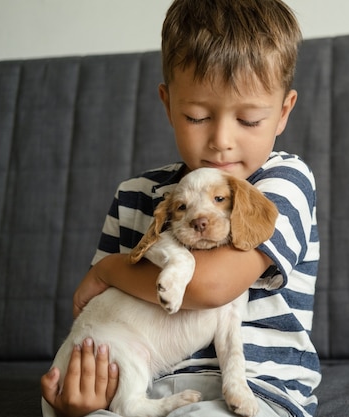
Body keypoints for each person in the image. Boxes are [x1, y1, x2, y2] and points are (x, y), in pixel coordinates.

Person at [40, 0, 321, 416]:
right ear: (168, 104)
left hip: (259, 389)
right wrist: (93, 395)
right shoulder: (136, 194)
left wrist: (108, 269)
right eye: (196, 116)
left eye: (248, 120)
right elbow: (105, 311)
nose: (221, 140)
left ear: (282, 113)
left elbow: (211, 289)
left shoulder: (285, 182)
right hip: (144, 384)